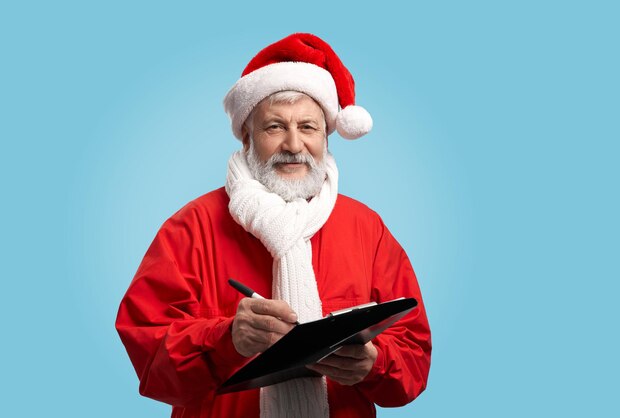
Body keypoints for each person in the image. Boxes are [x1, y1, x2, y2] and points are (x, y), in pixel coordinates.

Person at [116, 33, 431, 418]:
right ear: (248, 136)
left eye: (309, 128)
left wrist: (374, 364)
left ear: (327, 137)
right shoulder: (191, 227)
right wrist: (226, 338)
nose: (294, 145)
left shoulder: (367, 229)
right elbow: (150, 361)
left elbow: (413, 359)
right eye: (275, 127)